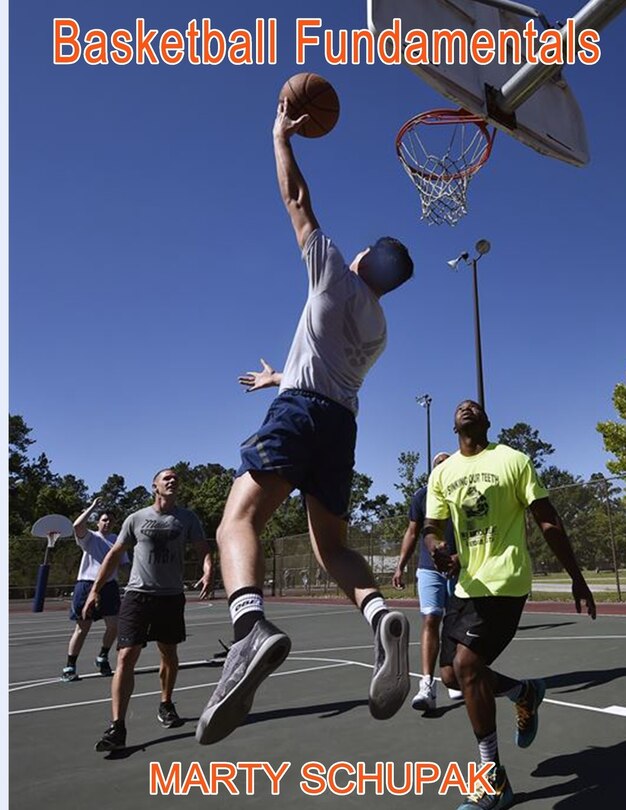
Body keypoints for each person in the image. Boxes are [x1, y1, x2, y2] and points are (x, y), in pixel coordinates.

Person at [195, 98, 415, 746]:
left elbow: (296, 198)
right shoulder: (378, 327)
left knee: (236, 520)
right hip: (340, 426)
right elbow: (324, 365)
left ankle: (248, 627)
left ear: (364, 258)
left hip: (300, 412)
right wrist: (279, 375)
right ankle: (379, 619)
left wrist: (280, 134)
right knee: (334, 548)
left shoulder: (330, 276)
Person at [423, 400, 596, 810]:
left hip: (505, 580)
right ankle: (524, 692)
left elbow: (547, 518)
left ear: (486, 422)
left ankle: (494, 782)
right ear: (454, 425)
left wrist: (576, 576)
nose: (466, 406)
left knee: (466, 666)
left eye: (474, 406)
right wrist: (436, 548)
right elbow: (431, 527)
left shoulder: (512, 460)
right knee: (449, 675)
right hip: (466, 585)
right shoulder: (442, 474)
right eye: (460, 407)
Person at [83, 468, 213, 752]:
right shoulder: (136, 518)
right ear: (154, 485)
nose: (172, 479)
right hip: (137, 596)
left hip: (170, 597)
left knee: (169, 653)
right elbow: (114, 554)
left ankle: (166, 703)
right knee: (126, 656)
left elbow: (203, 549)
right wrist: (95, 589)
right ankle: (118, 727)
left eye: (175, 477)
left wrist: (208, 569)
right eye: (166, 477)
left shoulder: (188, 518)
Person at [392, 452, 463, 710]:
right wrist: (400, 565)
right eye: (439, 464)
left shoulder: (463, 493)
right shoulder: (422, 496)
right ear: (433, 470)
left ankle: (453, 680)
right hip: (429, 567)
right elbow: (412, 532)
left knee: (456, 623)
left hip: (460, 567)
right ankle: (427, 686)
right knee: (431, 618)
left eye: (448, 463)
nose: (444, 467)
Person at [61, 497, 127, 682]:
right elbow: (76, 525)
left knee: (114, 626)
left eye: (110, 520)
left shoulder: (118, 541)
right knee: (82, 628)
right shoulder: (89, 537)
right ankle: (70, 665)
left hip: (110, 586)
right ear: (98, 522)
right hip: (87, 585)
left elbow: (125, 565)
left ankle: (102, 656)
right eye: (104, 519)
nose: (107, 523)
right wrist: (92, 507)